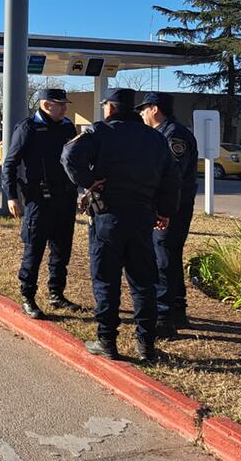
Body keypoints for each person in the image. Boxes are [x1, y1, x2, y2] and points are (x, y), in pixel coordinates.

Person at [60, 88, 181, 363]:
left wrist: (88, 181)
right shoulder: (155, 138)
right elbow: (171, 179)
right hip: (142, 219)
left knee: (106, 280)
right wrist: (165, 212)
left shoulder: (100, 132)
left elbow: (68, 156)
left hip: (108, 219)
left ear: (111, 108)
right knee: (143, 282)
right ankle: (146, 345)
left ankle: (107, 341)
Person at [2, 87, 83, 320]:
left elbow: (75, 160)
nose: (65, 108)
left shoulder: (67, 126)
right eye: (61, 104)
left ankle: (56, 294)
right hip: (39, 200)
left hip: (65, 199)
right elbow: (10, 163)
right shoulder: (28, 128)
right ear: (47, 105)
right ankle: (28, 296)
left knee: (61, 250)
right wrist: (11, 196)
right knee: (34, 250)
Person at [136, 92, 198, 337]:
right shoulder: (160, 134)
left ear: (154, 109)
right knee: (169, 258)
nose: (141, 113)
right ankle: (177, 310)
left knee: (164, 260)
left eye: (144, 108)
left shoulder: (174, 135)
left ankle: (165, 318)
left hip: (172, 208)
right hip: (167, 207)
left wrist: (162, 210)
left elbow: (170, 176)